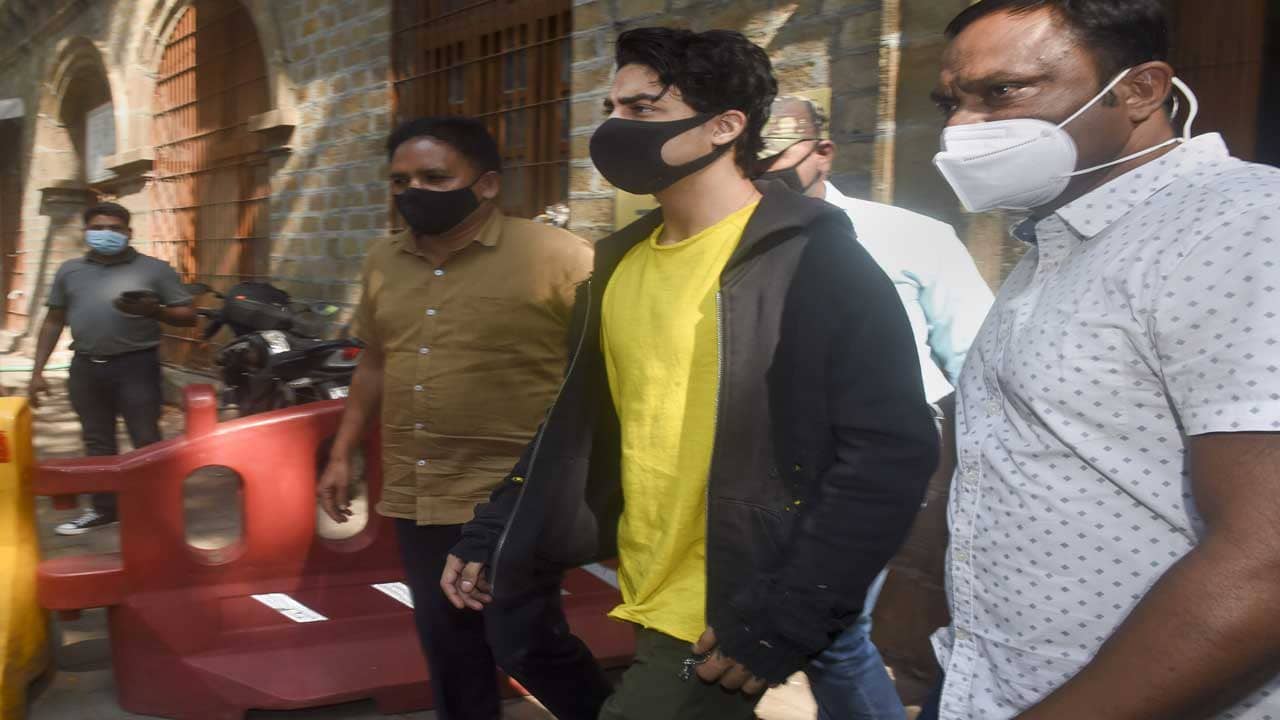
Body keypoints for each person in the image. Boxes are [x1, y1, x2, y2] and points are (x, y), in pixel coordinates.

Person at [440, 27, 940, 720]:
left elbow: (889, 451)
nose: (615, 127)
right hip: (641, 581)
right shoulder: (618, 265)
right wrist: (497, 525)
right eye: (612, 108)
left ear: (724, 127)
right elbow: (577, 422)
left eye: (642, 109)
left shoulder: (817, 263)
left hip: (720, 608)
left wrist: (794, 611)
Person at [921, 1, 1280, 718]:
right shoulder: (1062, 242)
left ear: (1141, 89)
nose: (961, 127)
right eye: (950, 102)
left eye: (1003, 92)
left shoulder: (1240, 223)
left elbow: (1266, 555)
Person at [315, 116, 593, 720]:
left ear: (486, 184)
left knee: (523, 641)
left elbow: (600, 370)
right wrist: (343, 453)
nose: (413, 191)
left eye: (435, 177)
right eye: (400, 180)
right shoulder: (383, 260)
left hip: (514, 494)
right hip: (422, 488)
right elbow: (375, 361)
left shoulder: (558, 257)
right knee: (447, 645)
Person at [756, 95, 994, 720]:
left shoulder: (909, 236)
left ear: (823, 153)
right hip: (761, 455)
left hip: (872, 460)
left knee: (830, 630)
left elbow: (975, 357)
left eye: (771, 159)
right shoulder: (733, 244)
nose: (758, 175)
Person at [28, 202, 195, 535]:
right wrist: (37, 372)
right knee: (97, 440)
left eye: (115, 228)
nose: (106, 233)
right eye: (98, 227)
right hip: (86, 368)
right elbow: (54, 320)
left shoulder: (155, 269)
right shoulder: (70, 271)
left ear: (129, 233)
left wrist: (155, 311)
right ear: (86, 232)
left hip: (136, 366)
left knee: (146, 439)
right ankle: (104, 509)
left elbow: (188, 316)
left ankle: (155, 510)